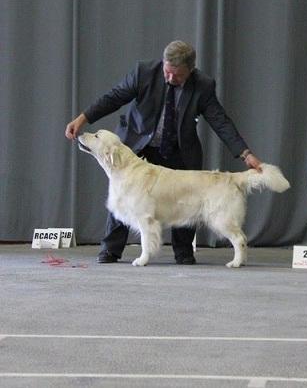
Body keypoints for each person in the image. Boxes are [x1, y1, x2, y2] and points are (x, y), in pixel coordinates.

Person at [65, 40, 262, 265]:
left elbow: (220, 121)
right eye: (167, 72)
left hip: (178, 150)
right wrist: (83, 119)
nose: (169, 78)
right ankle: (111, 249)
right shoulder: (144, 73)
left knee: (187, 198)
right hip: (140, 148)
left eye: (176, 76)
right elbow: (113, 97)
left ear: (190, 70)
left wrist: (245, 153)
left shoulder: (202, 85)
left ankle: (184, 252)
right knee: (124, 196)